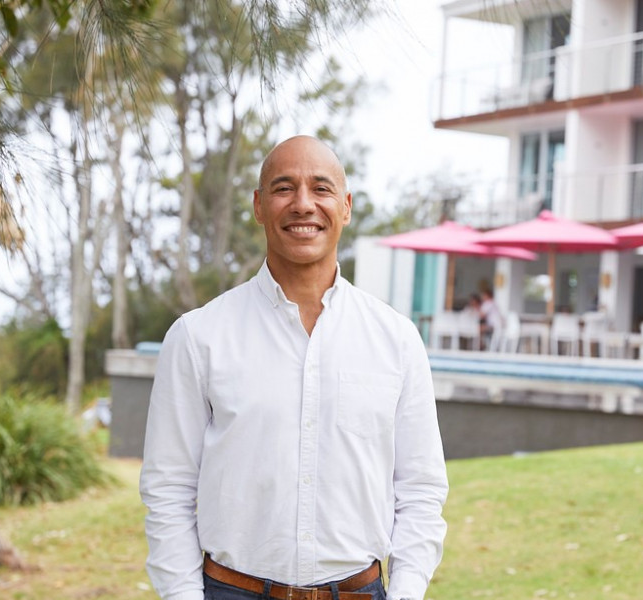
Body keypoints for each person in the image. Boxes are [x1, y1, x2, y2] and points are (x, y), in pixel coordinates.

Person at [140, 135, 449, 600]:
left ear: (345, 206)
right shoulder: (197, 336)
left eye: (321, 189)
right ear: (259, 206)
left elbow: (421, 489)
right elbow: (168, 489)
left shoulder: (397, 340)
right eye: (284, 188)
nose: (304, 204)